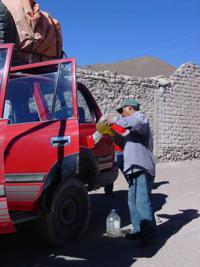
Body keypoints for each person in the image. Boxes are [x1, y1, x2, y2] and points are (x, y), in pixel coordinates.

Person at [105, 98, 157, 246]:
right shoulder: (129, 131)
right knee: (133, 202)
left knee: (142, 203)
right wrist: (113, 134)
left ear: (129, 108)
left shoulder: (140, 118)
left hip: (142, 168)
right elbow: (122, 144)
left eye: (123, 112)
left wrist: (115, 120)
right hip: (132, 169)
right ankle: (137, 230)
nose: (122, 116)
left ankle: (150, 236)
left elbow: (137, 122)